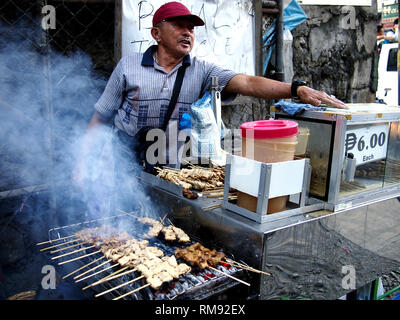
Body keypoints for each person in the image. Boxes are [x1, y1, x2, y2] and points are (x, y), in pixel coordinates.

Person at [73, 1, 347, 198]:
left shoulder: (202, 70)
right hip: (123, 162)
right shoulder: (128, 66)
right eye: (179, 25)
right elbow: (100, 117)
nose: (187, 32)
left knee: (161, 225)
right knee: (121, 222)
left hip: (170, 168)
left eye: (191, 28)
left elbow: (249, 82)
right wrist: (83, 165)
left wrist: (296, 89)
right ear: (157, 33)